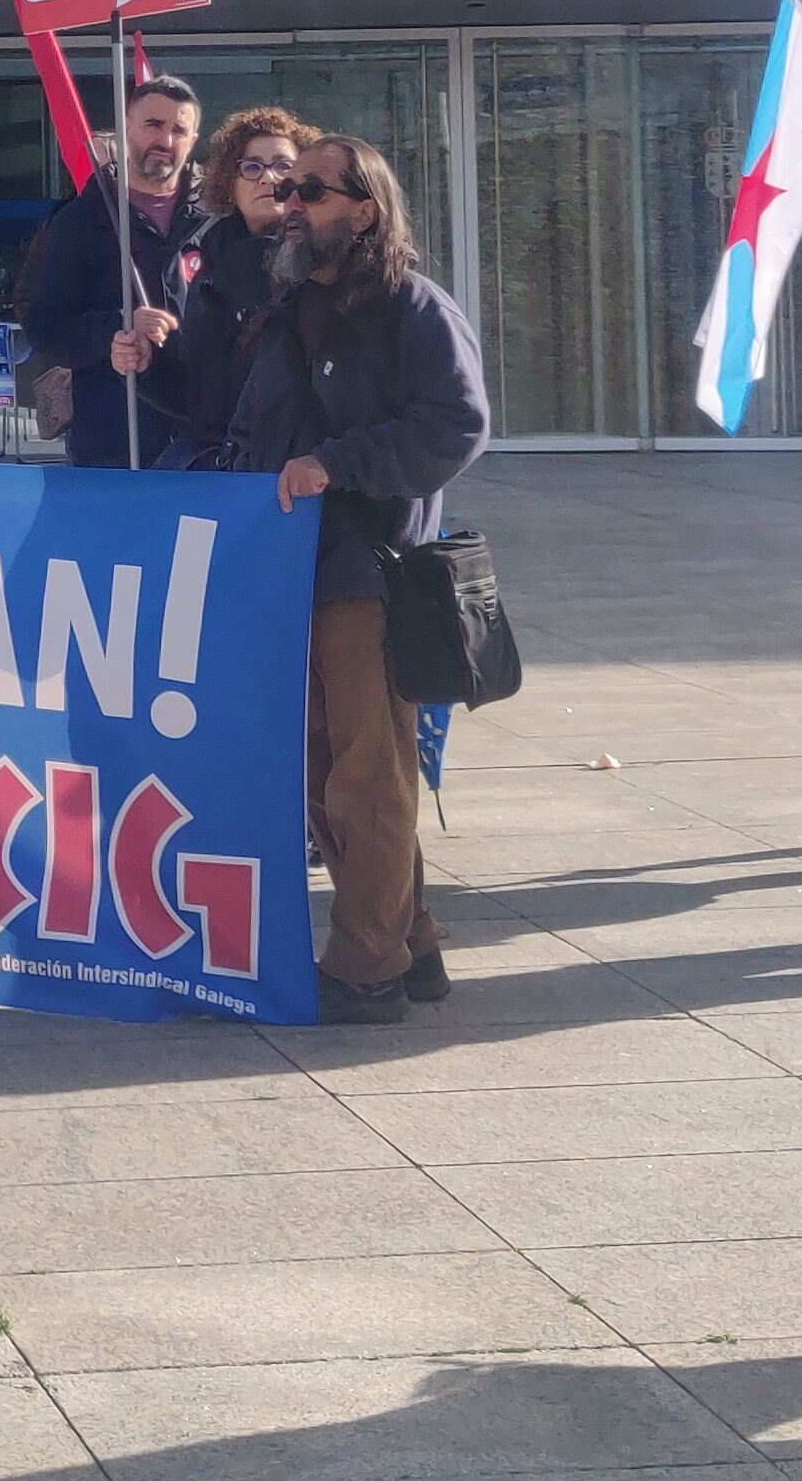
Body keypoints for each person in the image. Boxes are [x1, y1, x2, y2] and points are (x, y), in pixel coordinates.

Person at [220, 134, 488, 1023]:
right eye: (287, 188)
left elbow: (456, 424)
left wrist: (337, 464)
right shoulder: (290, 308)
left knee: (367, 775)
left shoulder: (413, 307)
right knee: (324, 770)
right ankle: (409, 942)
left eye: (313, 191)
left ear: (363, 208)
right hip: (289, 569)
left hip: (366, 573)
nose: (291, 202)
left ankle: (365, 967)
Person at [24, 74, 206, 468]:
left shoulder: (218, 219)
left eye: (179, 129)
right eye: (153, 125)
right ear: (127, 131)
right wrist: (117, 328)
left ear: (192, 142)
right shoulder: (80, 220)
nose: (165, 140)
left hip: (207, 437)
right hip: (116, 438)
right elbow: (43, 325)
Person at [135, 105, 311, 469]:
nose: (268, 178)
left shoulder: (323, 260)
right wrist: (146, 361)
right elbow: (197, 393)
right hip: (215, 461)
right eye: (252, 167)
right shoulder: (207, 256)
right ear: (231, 180)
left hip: (291, 468)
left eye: (283, 166)